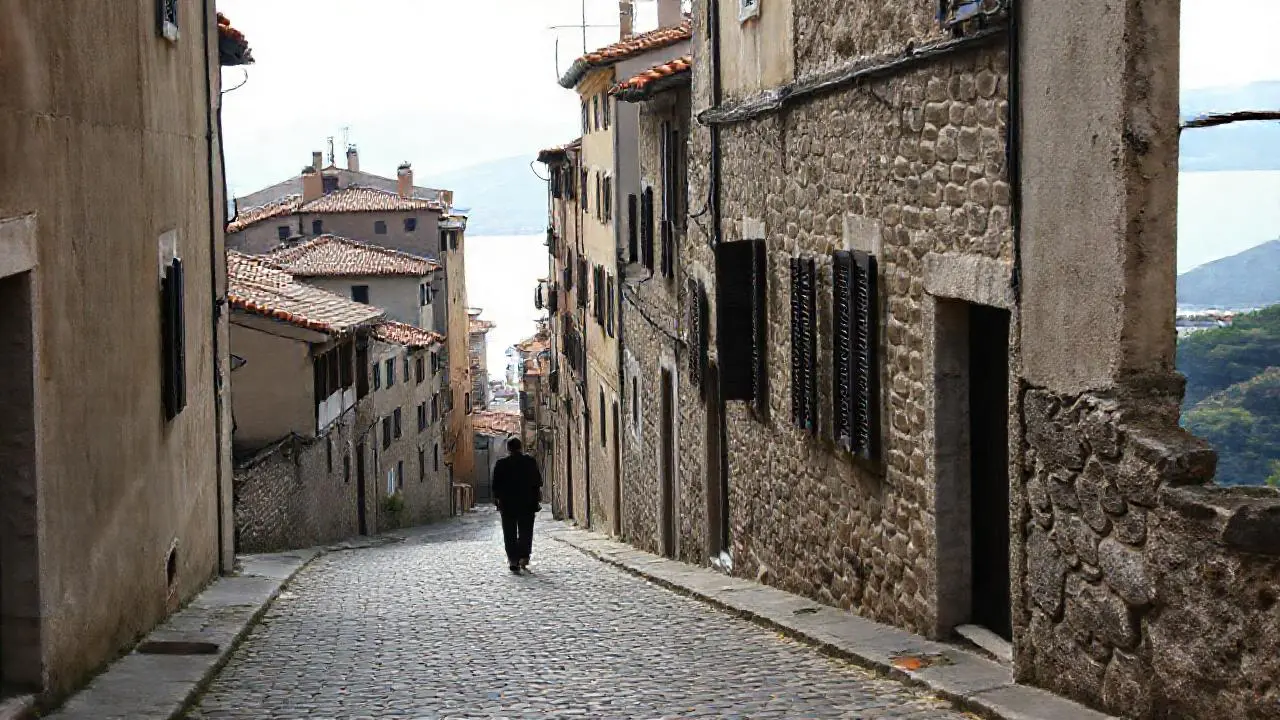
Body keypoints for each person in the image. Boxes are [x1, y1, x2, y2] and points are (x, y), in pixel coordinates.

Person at [491, 436, 543, 573]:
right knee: (526, 531)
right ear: (520, 447)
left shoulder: (501, 464)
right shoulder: (530, 462)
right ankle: (524, 556)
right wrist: (536, 498)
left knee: (509, 533)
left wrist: (498, 500)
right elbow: (537, 481)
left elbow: (495, 486)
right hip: (527, 503)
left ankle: (513, 559)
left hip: (508, 504)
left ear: (508, 449)